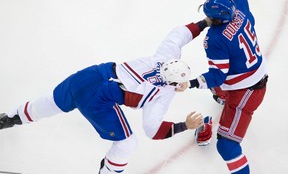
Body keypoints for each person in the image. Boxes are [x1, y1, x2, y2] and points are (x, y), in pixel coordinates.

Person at [0, 17, 211, 173]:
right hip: (100, 100)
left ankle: (8, 118)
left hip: (91, 75)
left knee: (51, 103)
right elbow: (152, 130)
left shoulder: (164, 56)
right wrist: (185, 125)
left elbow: (178, 35)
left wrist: (205, 21)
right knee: (128, 144)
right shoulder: (162, 95)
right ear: (174, 82)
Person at [187, 0, 268, 174]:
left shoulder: (215, 39)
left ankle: (226, 104)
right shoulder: (239, 5)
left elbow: (216, 75)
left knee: (226, 146)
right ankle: (222, 97)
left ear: (215, 20)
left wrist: (189, 83)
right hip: (251, 71)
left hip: (247, 92)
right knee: (217, 85)